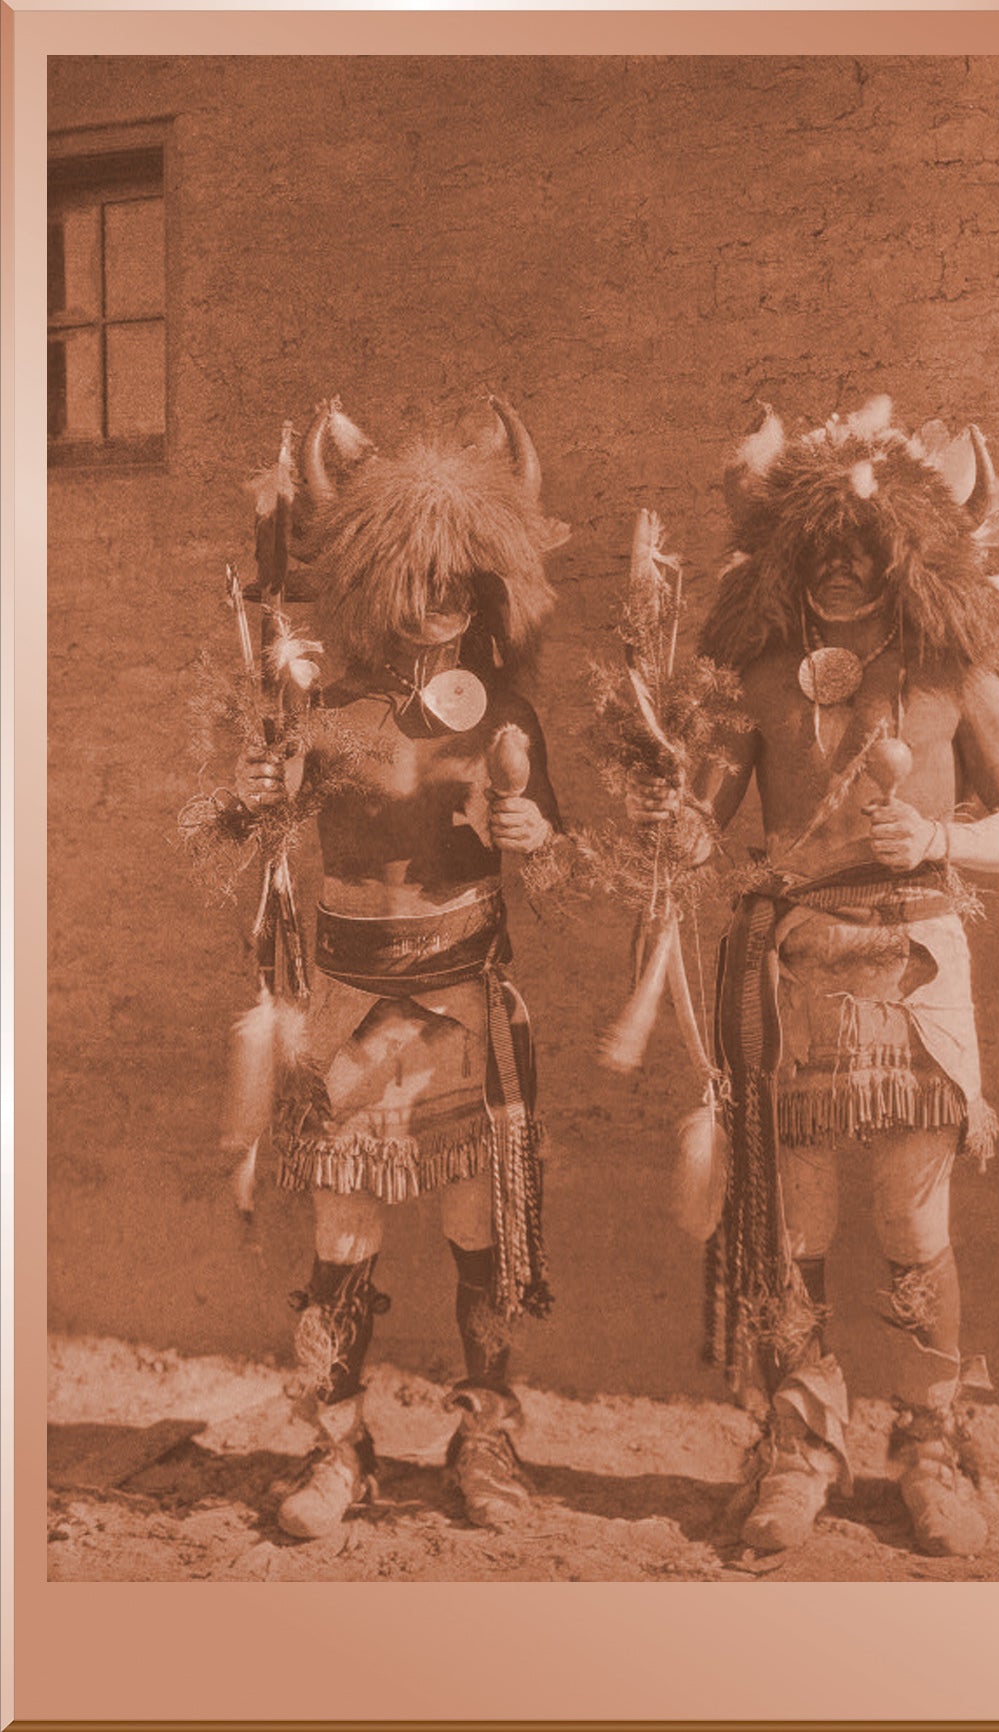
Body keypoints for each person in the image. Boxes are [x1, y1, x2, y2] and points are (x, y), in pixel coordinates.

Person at [640, 396, 999, 1557]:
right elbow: (702, 812)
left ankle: (931, 1440)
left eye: (863, 550)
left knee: (910, 1212)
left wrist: (939, 838)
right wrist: (681, 826)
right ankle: (799, 1440)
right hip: (791, 964)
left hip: (915, 962)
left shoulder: (953, 670)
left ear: (906, 554)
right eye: (820, 550)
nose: (839, 569)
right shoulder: (759, 677)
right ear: (788, 555)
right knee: (797, 1216)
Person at [230, 397, 565, 1540]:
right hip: (349, 1004)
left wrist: (534, 832)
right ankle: (339, 1445)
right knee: (343, 1236)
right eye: (418, 580)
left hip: (466, 1002)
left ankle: (487, 1440)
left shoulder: (505, 710)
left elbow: (559, 854)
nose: (440, 601)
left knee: (479, 1227)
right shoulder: (323, 708)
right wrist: (253, 796)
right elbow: (250, 823)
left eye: (460, 579)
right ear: (378, 582)